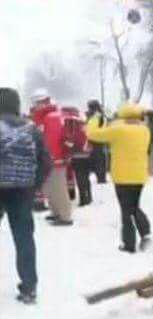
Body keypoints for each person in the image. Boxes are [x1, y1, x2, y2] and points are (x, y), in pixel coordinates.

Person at [0, 88, 51, 304]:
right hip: (23, 190)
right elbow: (46, 162)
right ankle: (29, 288)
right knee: (24, 238)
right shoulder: (32, 129)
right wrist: (34, 184)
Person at [86, 103, 152, 253]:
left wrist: (95, 118)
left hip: (122, 177)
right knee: (134, 206)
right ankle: (146, 233)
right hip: (140, 175)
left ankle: (129, 244)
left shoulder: (118, 130)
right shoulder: (145, 130)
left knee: (125, 210)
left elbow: (92, 134)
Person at [33, 95, 73, 225]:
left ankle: (65, 216)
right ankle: (55, 211)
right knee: (50, 188)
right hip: (47, 159)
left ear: (45, 103)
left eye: (39, 103)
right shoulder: (42, 117)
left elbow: (52, 140)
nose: (36, 105)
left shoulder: (52, 117)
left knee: (58, 188)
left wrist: (49, 156)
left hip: (55, 159)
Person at [63, 107, 93, 206]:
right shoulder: (84, 124)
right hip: (87, 155)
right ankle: (89, 197)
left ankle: (83, 199)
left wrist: (65, 143)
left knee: (80, 179)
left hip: (77, 156)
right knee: (86, 178)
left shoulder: (71, 124)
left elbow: (71, 142)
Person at [86, 100, 108, 184]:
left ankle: (101, 177)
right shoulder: (97, 116)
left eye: (90, 107)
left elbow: (94, 128)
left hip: (97, 140)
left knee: (99, 159)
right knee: (98, 159)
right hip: (96, 139)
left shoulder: (98, 117)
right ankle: (100, 176)